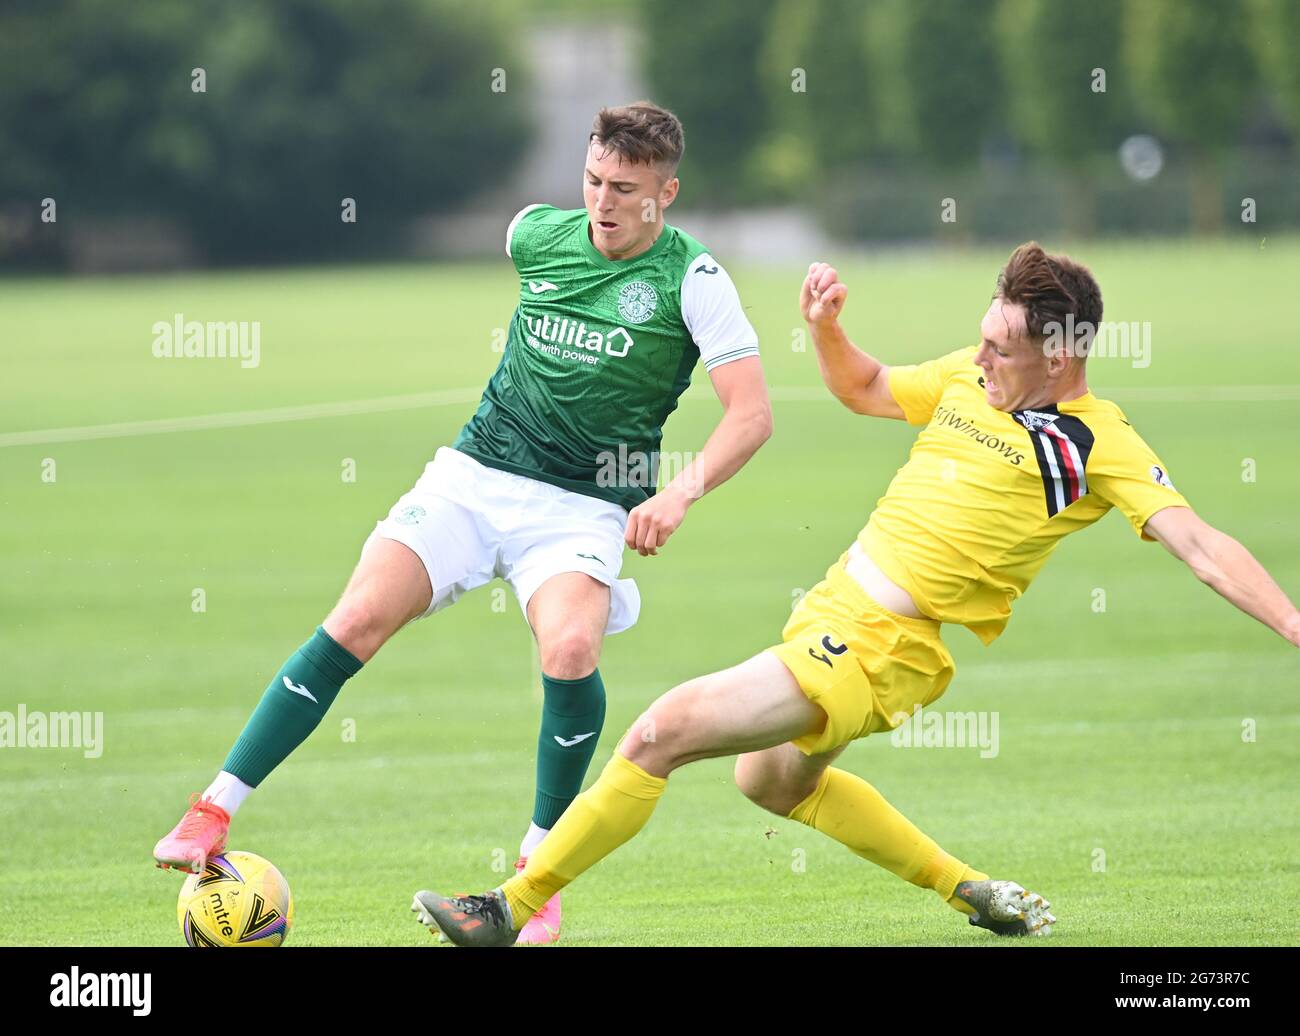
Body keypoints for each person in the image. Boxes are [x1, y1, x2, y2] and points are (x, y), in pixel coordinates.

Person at [414, 242, 1300, 945]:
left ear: (1061, 356)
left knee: (660, 732)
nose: (983, 353)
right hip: (830, 615)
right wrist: (827, 328)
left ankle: (510, 906)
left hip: (883, 649)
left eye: (1002, 346)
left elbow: (1201, 544)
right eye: (983, 335)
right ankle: (970, 890)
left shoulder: (1092, 442)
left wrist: (1292, 623)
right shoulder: (970, 376)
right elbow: (868, 389)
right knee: (768, 784)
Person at [153, 101, 773, 946]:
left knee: (570, 650)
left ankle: (536, 874)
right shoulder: (532, 235)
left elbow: (750, 415)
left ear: (668, 191)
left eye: (625, 189)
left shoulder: (692, 280)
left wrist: (676, 492)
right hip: (474, 478)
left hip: (583, 505)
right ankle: (211, 811)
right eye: (593, 181)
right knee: (357, 619)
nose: (603, 202)